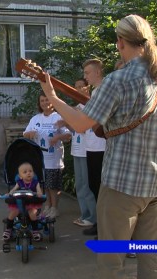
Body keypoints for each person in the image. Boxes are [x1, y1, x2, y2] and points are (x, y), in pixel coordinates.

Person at [39, 14, 157, 279]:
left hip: (122, 186)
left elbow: (81, 124)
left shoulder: (118, 80)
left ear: (119, 42)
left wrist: (52, 97)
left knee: (111, 261)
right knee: (150, 256)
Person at [23, 92, 71, 219]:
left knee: (53, 186)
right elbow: (25, 134)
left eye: (47, 100)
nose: (45, 103)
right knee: (45, 185)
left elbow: (68, 136)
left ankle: (55, 208)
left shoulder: (58, 117)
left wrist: (58, 137)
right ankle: (48, 207)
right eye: (42, 101)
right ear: (39, 103)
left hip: (54, 158)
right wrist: (30, 133)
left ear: (52, 102)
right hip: (39, 159)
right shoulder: (35, 119)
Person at [64, 78, 96, 228]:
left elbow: (84, 128)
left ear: (87, 88)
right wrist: (67, 123)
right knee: (80, 185)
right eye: (75, 87)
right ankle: (84, 214)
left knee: (88, 185)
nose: (77, 90)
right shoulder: (77, 107)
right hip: (76, 149)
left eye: (81, 86)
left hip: (87, 150)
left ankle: (92, 216)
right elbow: (74, 130)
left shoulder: (92, 105)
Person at [81, 58, 107, 236]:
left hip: (103, 148)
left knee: (102, 189)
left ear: (98, 72)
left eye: (87, 73)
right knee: (93, 186)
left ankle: (105, 228)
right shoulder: (95, 92)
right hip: (91, 147)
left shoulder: (104, 91)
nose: (85, 77)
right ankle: (100, 224)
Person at [3, 162, 45, 242]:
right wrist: (9, 193)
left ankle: (35, 231)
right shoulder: (19, 183)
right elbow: (13, 190)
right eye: (25, 172)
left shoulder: (35, 183)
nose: (28, 173)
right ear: (20, 176)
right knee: (13, 212)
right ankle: (8, 229)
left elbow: (39, 191)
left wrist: (39, 193)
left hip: (32, 203)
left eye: (30, 171)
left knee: (32, 213)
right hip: (20, 204)